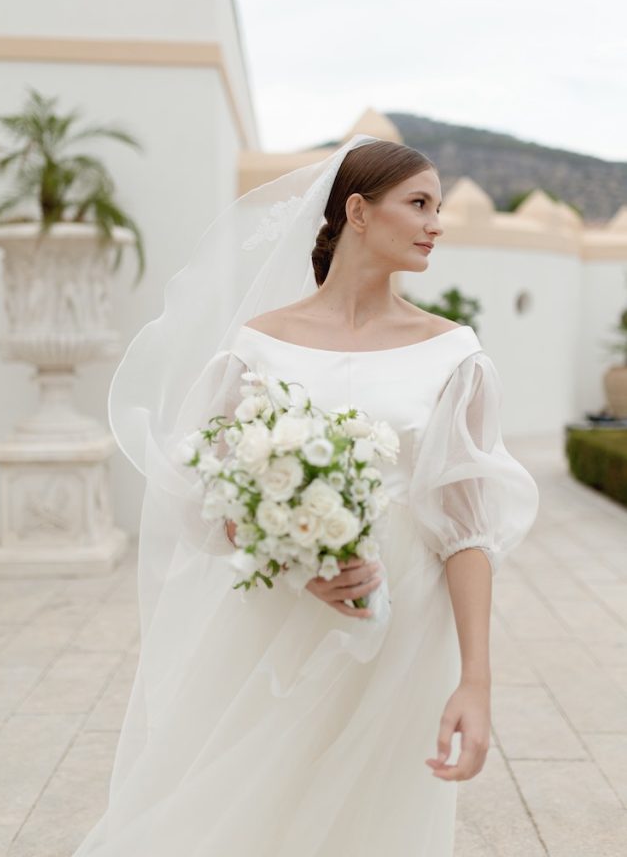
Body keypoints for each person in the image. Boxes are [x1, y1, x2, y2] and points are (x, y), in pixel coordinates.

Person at [72, 135, 539, 856]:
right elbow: (206, 493)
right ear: (356, 210)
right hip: (275, 617)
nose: (435, 223)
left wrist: (475, 682)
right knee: (253, 812)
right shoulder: (257, 346)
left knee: (381, 821)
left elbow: (467, 527)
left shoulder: (454, 353)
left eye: (438, 207)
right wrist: (290, 555)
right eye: (417, 204)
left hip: (406, 629)